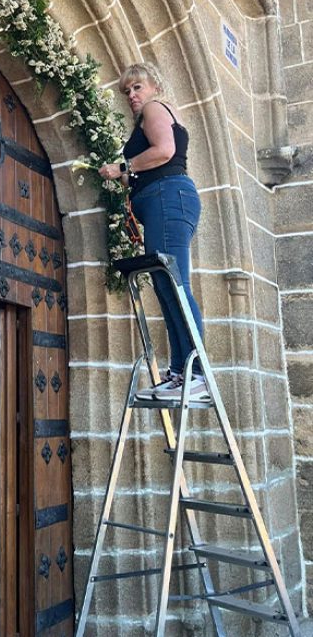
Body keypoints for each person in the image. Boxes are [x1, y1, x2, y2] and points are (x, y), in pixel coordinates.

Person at [98, 62, 209, 402]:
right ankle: (180, 373)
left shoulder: (154, 108)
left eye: (137, 87)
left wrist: (122, 167)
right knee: (165, 283)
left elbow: (164, 151)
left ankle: (197, 373)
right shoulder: (147, 114)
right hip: (162, 200)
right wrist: (127, 182)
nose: (132, 96)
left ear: (153, 87)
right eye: (127, 91)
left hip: (167, 197)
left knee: (175, 283)